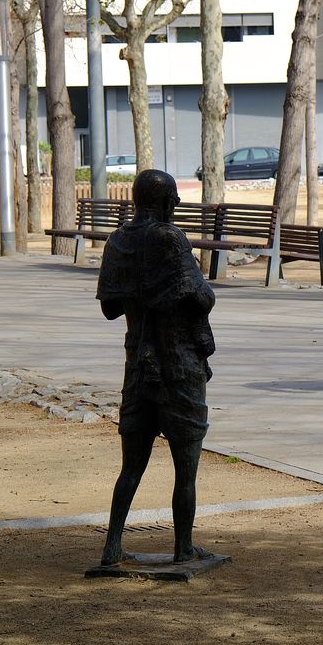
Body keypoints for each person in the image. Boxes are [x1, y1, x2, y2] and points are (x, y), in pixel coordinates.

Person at [95, 169, 217, 565]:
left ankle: (112, 545)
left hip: (138, 364)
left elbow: (110, 308)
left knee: (131, 465)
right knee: (186, 464)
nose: (177, 205)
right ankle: (182, 547)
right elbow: (200, 298)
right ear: (164, 202)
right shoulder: (169, 238)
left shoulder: (117, 240)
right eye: (174, 199)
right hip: (177, 362)